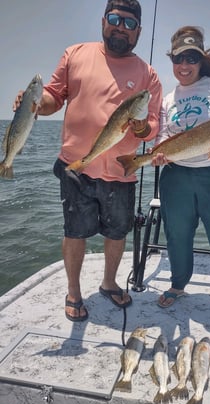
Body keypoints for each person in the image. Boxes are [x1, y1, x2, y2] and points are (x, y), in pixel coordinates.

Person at [13, 0, 162, 322]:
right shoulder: (75, 53)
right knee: (75, 232)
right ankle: (74, 291)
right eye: (115, 19)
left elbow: (152, 126)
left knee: (118, 232)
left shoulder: (148, 75)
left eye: (129, 23)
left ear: (139, 31)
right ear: (104, 20)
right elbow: (54, 96)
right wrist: (36, 103)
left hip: (121, 169)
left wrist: (142, 128)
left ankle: (109, 283)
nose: (121, 27)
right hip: (75, 165)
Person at [152, 26, 210, 325]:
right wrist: (156, 154)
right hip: (176, 176)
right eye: (179, 59)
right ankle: (178, 285)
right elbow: (163, 138)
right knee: (177, 236)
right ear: (172, 61)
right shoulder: (168, 99)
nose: (184, 65)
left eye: (191, 58)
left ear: (201, 60)